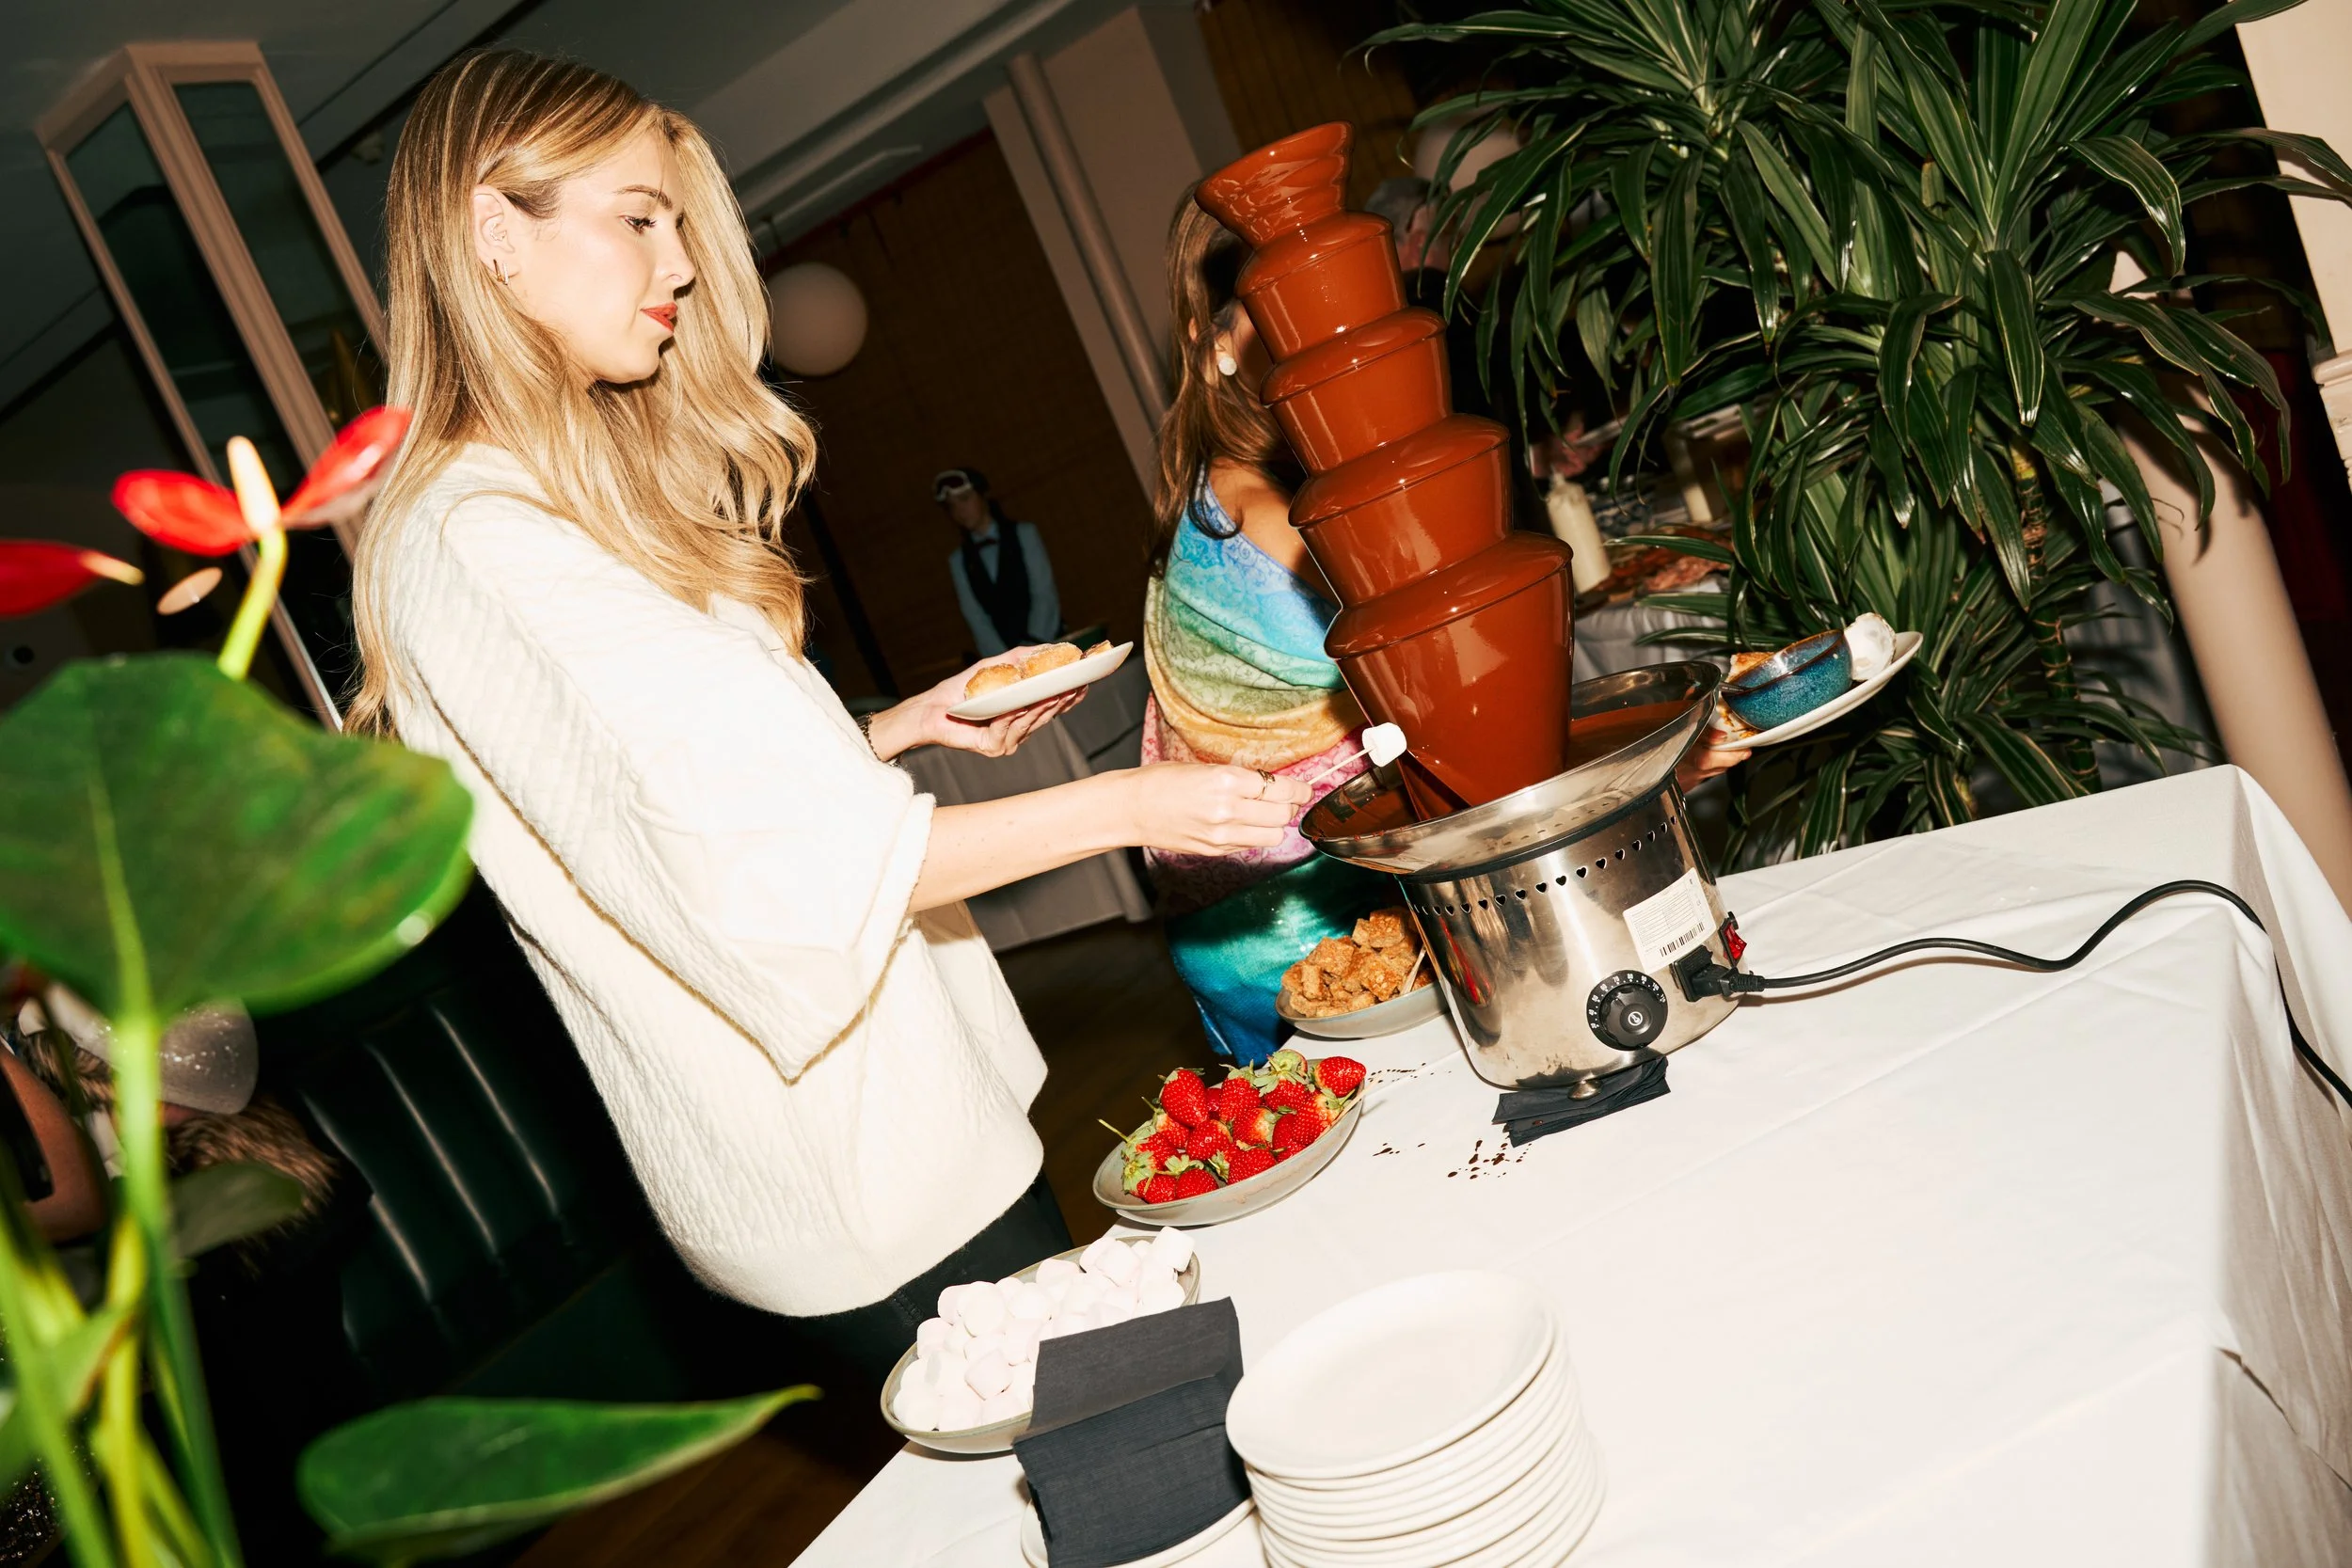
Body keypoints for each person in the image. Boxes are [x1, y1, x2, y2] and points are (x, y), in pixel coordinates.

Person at [348, 51, 1308, 1385]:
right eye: (638, 215)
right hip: (851, 1169)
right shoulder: (480, 534)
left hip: (891, 1132)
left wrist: (890, 729)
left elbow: (657, 812)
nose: (678, 261)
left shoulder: (539, 497)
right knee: (1138, 1462)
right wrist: (1136, 803)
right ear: (491, 232)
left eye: (677, 220)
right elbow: (774, 875)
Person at [1140, 201, 1391, 1065]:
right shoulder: (1274, 516)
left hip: (1232, 918)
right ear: (1215, 347)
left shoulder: (1205, 499)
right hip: (1302, 918)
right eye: (1278, 321)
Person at [937, 467, 1061, 657]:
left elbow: (1044, 593)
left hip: (1047, 645)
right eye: (951, 506)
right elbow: (975, 616)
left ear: (983, 496)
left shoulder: (1024, 534)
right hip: (1004, 661)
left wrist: (1034, 645)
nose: (959, 510)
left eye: (964, 499)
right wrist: (1003, 658)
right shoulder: (958, 561)